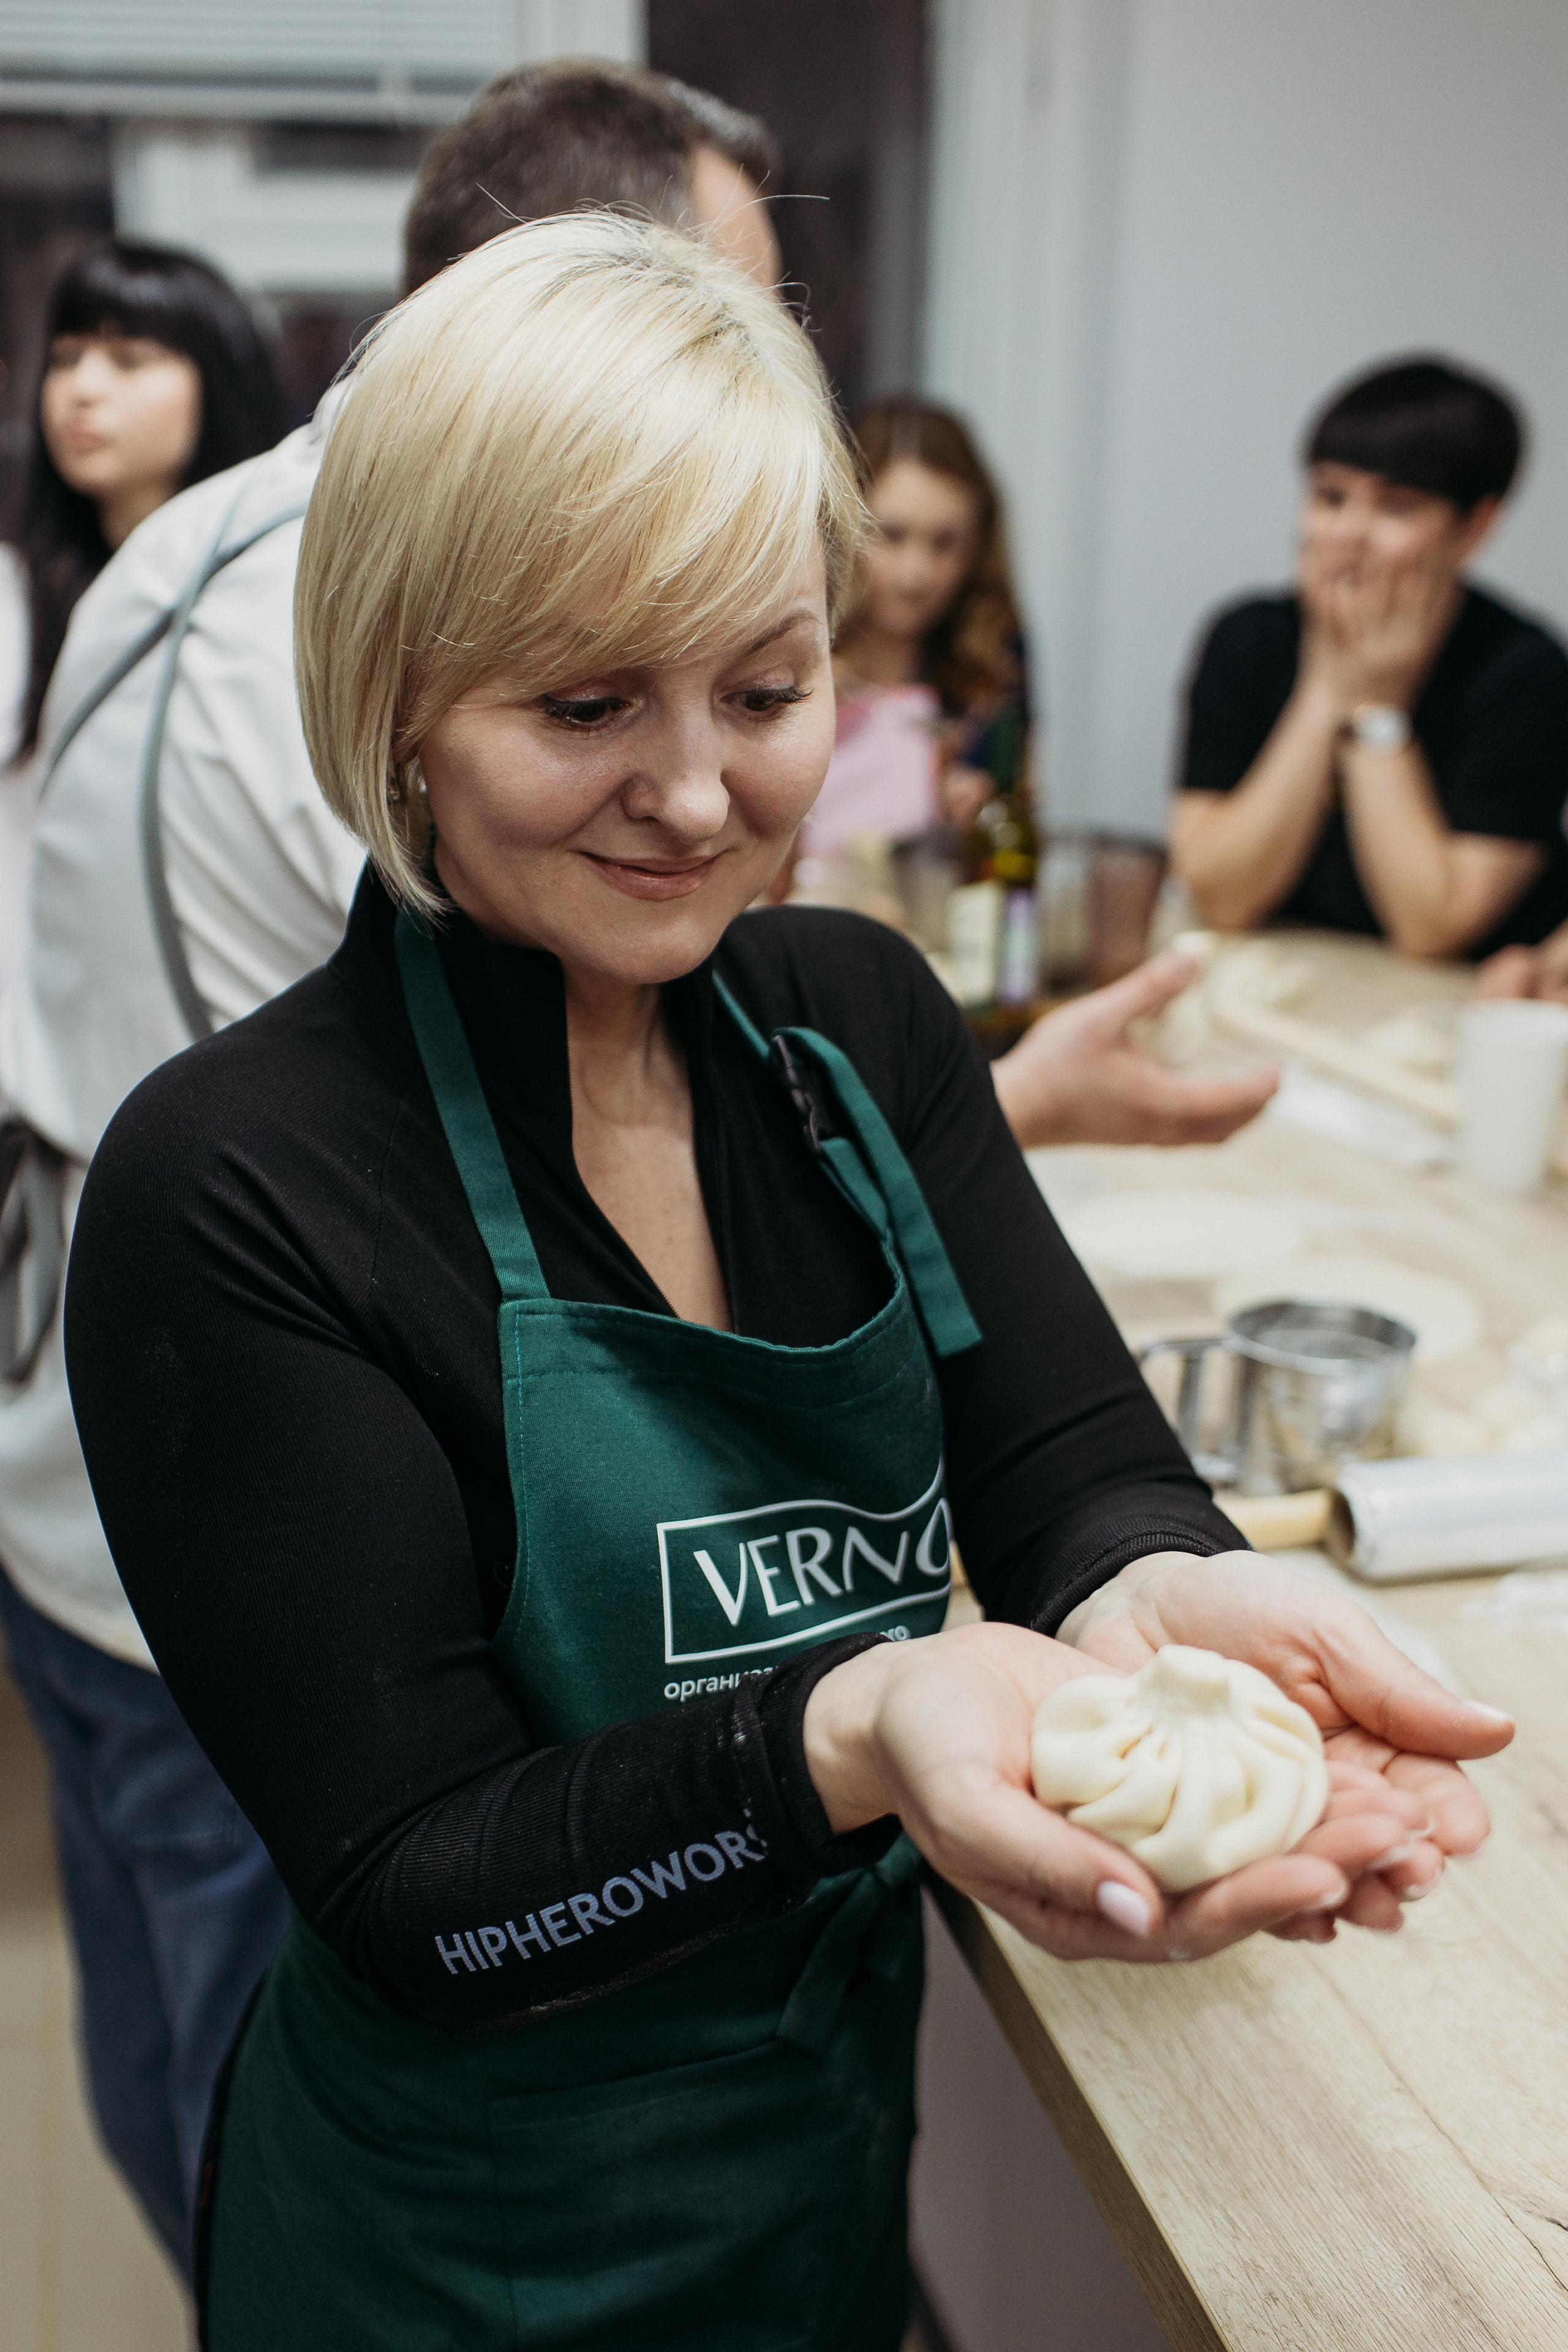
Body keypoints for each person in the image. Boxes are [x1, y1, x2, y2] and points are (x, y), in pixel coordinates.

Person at [65, 214, 1509, 2352]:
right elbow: (417, 1895)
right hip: (459, 2259)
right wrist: (850, 1724)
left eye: (766, 687)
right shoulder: (242, 1186)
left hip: (813, 2184)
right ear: (395, 693)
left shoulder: (856, 1028)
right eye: (582, 703)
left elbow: (1072, 1478)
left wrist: (1171, 1615)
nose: (696, 793)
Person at [0, 66, 778, 2286]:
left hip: (72, 1429)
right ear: (568, 292)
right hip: (252, 1501)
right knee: (288, 2107)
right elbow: (519, 1145)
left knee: (161, 2029)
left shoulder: (200, 530)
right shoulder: (397, 616)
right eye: (720, 313)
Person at [0, 236, 285, 2277]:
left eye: (133, 351)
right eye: (64, 352)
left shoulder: (220, 608)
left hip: (115, 1321)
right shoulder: (55, 605)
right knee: (177, 1956)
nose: (80, 388)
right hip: (85, 1289)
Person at [1170, 356, 1568, 960]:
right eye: (1330, 497)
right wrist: (1325, 687)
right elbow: (1221, 896)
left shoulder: (1524, 671)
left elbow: (1431, 927)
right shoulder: (1245, 638)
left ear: (1475, 527)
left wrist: (1376, 705)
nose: (1349, 534)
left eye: (1395, 507)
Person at [805, 396, 1028, 858]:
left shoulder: (993, 655)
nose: (917, 573)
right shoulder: (788, 652)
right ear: (841, 524)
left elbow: (1013, 820)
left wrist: (975, 819)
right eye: (891, 535)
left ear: (978, 544)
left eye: (945, 543)